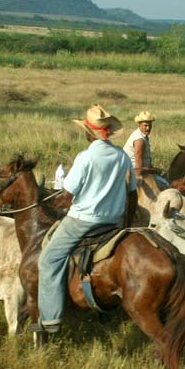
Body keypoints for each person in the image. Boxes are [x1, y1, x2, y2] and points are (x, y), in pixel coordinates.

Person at [35, 104, 137, 337]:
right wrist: (126, 224)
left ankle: (50, 320)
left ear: (88, 133)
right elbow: (132, 194)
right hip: (112, 222)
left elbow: (67, 195)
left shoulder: (85, 157)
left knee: (49, 259)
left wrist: (49, 205)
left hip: (83, 221)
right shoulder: (122, 157)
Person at [125, 110, 158, 178]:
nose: (148, 128)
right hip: (133, 172)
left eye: (149, 125)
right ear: (139, 125)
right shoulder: (139, 139)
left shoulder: (142, 136)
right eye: (145, 125)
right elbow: (138, 164)